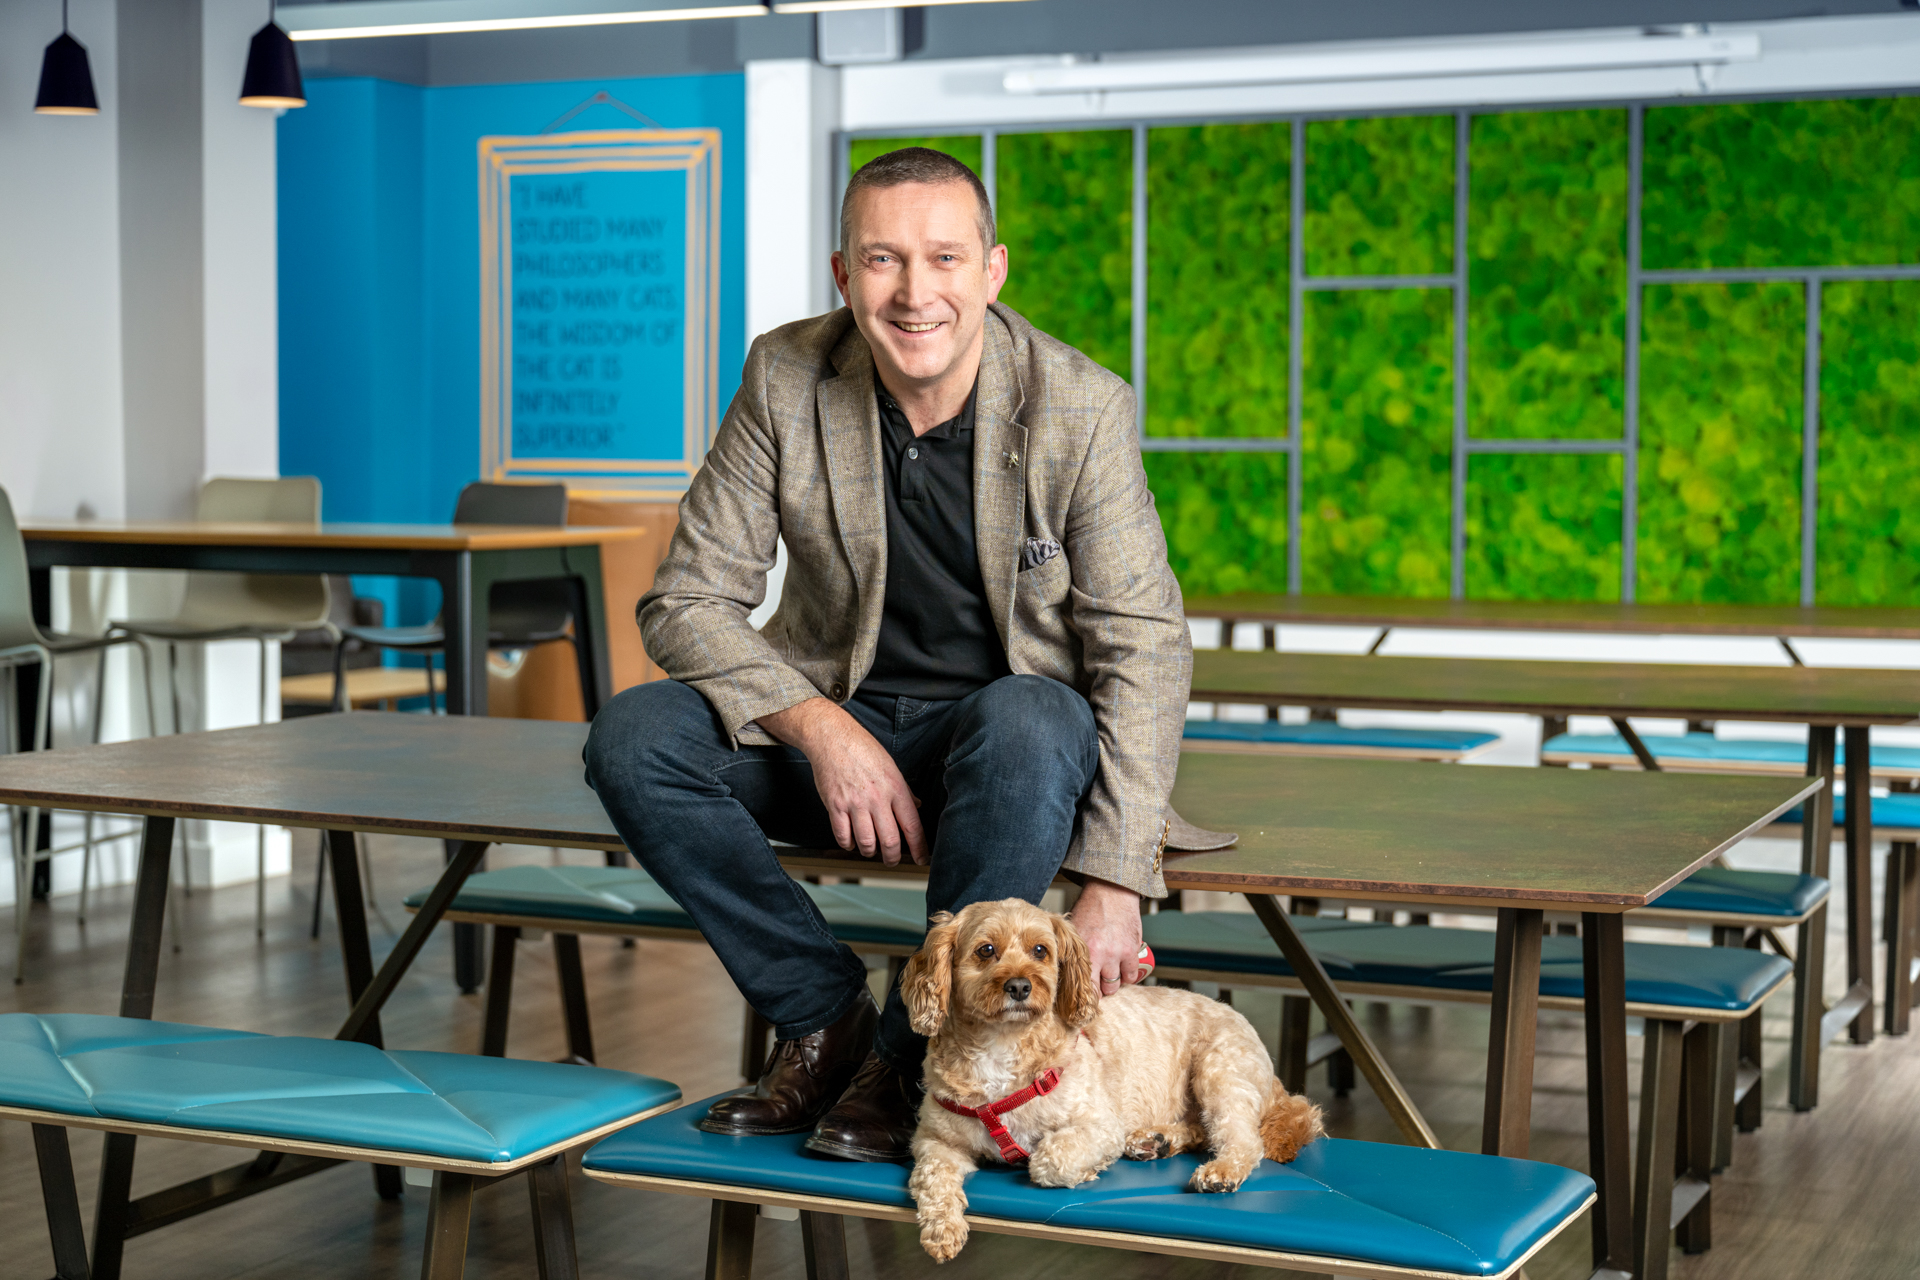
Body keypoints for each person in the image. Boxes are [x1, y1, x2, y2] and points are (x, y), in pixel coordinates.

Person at [584, 146, 1194, 1163]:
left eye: (945, 258)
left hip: (1007, 759)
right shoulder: (786, 374)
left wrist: (1116, 884)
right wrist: (821, 729)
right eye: (883, 260)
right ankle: (831, 1024)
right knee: (636, 734)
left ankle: (918, 1067)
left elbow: (1144, 645)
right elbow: (687, 596)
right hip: (843, 731)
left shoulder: (1082, 406)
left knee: (1038, 715)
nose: (916, 292)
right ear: (843, 274)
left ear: (992, 272)